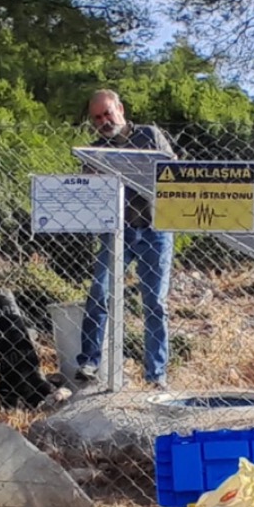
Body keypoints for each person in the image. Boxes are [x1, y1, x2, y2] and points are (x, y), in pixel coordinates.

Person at [74, 90, 174, 388]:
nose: (105, 121)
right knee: (99, 293)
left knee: (154, 302)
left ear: (120, 108)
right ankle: (90, 361)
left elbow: (174, 169)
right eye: (98, 118)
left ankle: (156, 375)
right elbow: (86, 193)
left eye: (108, 113)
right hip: (116, 231)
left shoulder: (150, 136)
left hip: (155, 229)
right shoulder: (94, 151)